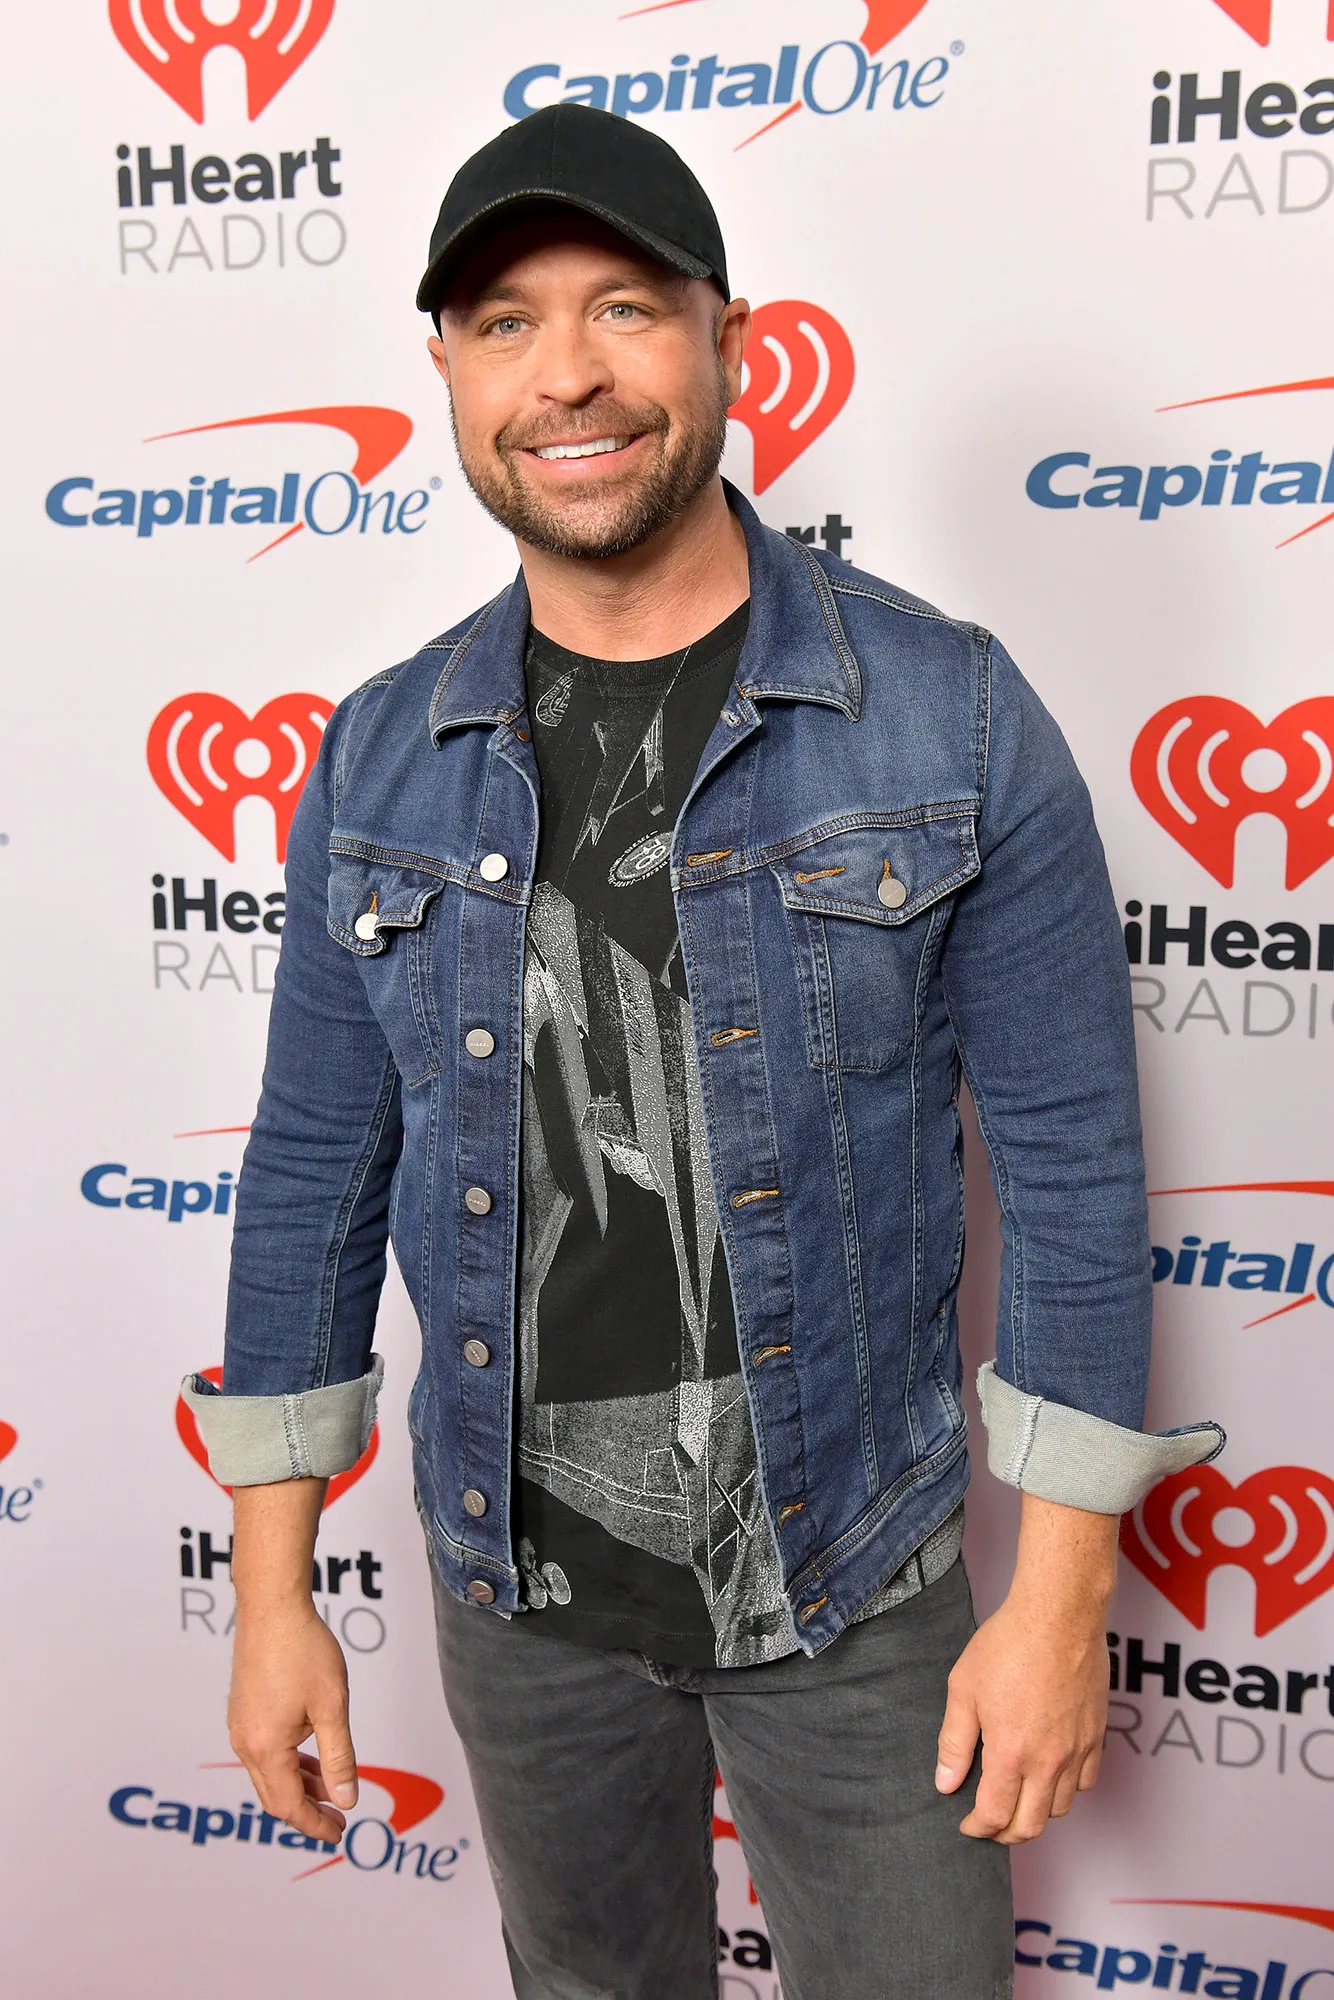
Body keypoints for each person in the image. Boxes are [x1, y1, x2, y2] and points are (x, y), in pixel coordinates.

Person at [183, 104, 1223, 2000]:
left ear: (725, 339)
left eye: (623, 308)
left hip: (858, 1583)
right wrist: (271, 1595)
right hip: (515, 1597)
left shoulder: (949, 716)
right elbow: (312, 1174)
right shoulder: (379, 753)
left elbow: (1073, 1175)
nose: (566, 375)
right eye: (505, 322)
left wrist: (1061, 1602)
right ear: (446, 370)